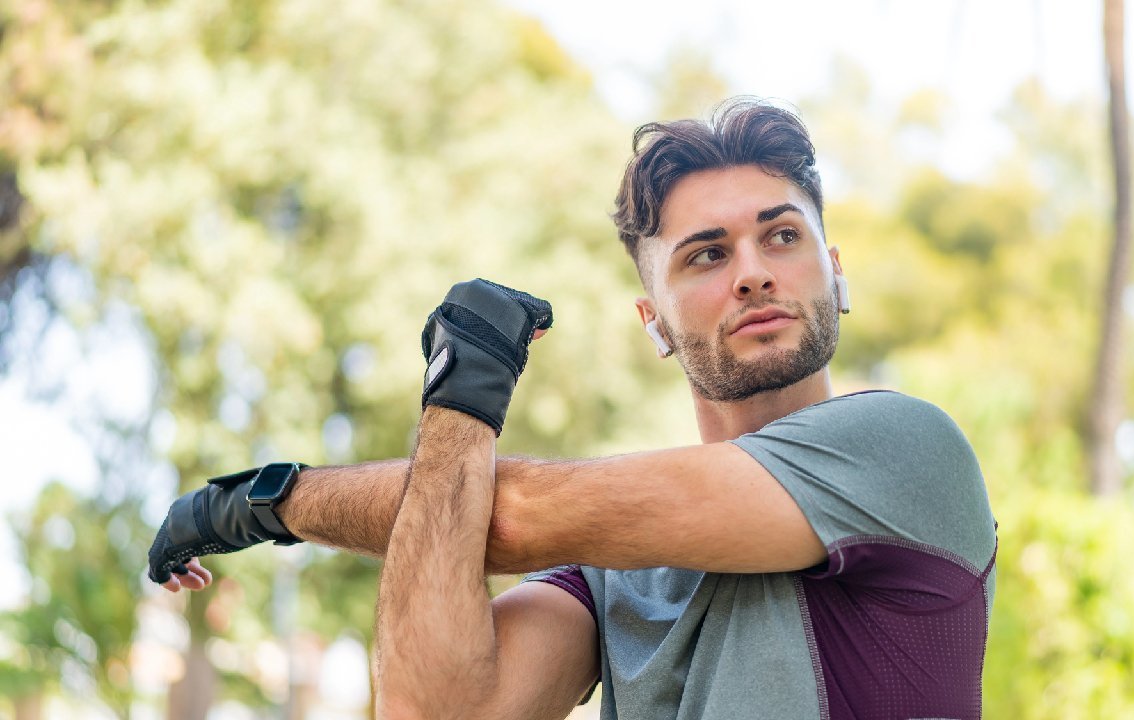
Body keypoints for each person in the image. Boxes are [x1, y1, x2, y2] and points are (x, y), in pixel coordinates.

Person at [148, 97, 997, 720]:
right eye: (706, 254)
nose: (753, 271)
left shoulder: (905, 449)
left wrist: (262, 503)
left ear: (835, 270)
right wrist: (457, 404)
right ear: (653, 321)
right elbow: (433, 705)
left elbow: (504, 512)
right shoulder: (614, 573)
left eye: (782, 235)